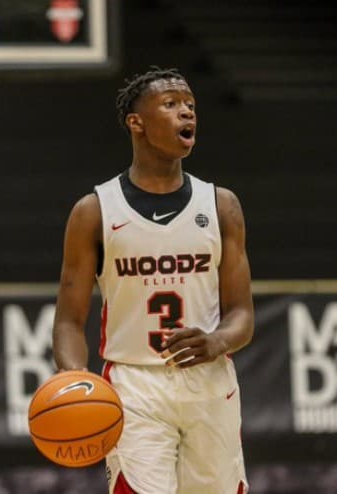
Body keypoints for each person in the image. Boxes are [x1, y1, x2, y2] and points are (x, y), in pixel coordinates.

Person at [52, 67, 254, 494]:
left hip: (210, 380)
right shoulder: (94, 211)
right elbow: (70, 320)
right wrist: (77, 380)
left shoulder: (222, 205)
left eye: (191, 106)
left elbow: (241, 316)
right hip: (133, 383)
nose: (187, 113)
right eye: (171, 104)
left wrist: (218, 341)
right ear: (136, 122)